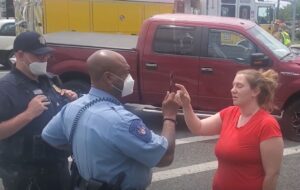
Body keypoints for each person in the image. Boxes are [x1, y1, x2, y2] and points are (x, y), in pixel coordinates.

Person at [42, 49, 180, 190]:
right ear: (109, 78)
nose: (130, 78)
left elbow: (50, 136)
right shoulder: (121, 120)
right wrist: (170, 115)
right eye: (125, 73)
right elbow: (165, 157)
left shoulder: (72, 107)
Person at [176, 69, 284, 190]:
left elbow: (272, 174)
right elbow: (198, 128)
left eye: (239, 86)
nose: (233, 90)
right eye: (233, 85)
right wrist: (186, 105)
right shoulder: (229, 113)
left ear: (255, 91)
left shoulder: (267, 124)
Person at [0, 31, 78, 190]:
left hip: (57, 166)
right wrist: (28, 115)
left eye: (46, 55)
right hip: (26, 175)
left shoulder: (49, 80)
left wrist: (69, 101)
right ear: (20, 55)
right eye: (38, 56)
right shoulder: (6, 88)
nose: (44, 59)